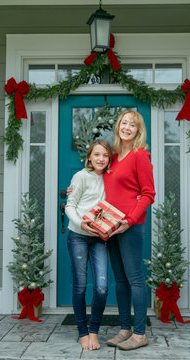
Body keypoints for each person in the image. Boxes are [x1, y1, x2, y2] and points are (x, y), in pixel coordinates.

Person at [103, 110, 155, 350]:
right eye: (123, 123)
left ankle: (140, 333)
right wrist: (75, 192)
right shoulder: (112, 158)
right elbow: (97, 184)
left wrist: (130, 220)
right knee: (120, 280)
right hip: (111, 226)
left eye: (132, 125)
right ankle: (125, 329)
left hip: (131, 225)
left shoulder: (140, 155)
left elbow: (148, 194)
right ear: (118, 126)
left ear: (137, 130)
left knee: (135, 279)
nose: (126, 127)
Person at [65, 139, 113, 351]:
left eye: (105, 155)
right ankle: (83, 332)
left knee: (102, 287)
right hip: (78, 235)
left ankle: (94, 330)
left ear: (110, 159)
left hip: (100, 238)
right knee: (81, 285)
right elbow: (70, 206)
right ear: (89, 157)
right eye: (97, 155)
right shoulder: (81, 176)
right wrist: (80, 223)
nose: (101, 159)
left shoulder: (112, 179)